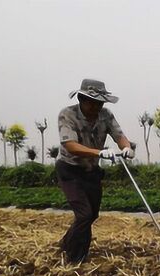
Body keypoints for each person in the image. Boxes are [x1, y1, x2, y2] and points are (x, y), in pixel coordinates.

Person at [56, 79, 135, 263]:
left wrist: (126, 148)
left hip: (91, 171)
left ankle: (67, 243)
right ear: (81, 99)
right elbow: (71, 146)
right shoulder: (67, 115)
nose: (96, 107)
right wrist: (99, 153)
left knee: (92, 214)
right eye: (92, 102)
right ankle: (76, 258)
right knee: (84, 214)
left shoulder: (106, 115)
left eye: (100, 103)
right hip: (70, 170)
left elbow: (119, 135)